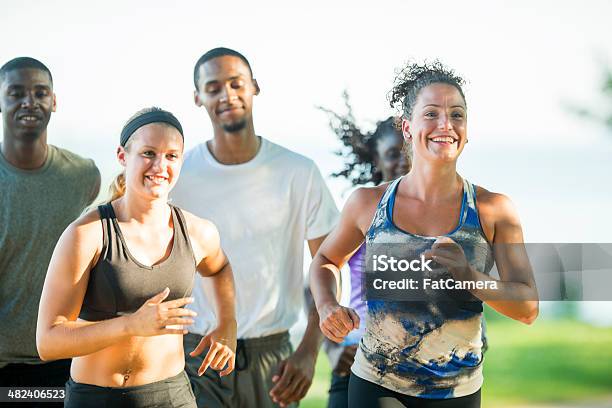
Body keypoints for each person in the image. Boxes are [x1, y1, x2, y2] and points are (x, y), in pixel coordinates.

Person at [310, 61, 539, 408]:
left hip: (457, 391)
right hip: (377, 384)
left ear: (467, 129)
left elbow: (527, 307)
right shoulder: (368, 204)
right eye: (431, 114)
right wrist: (327, 305)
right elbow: (326, 259)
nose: (445, 124)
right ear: (407, 127)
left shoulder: (493, 209)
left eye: (457, 115)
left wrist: (468, 277)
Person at [170, 47, 339, 408]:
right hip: (197, 354)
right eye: (213, 87)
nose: (226, 95)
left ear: (255, 87)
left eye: (236, 84)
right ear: (198, 97)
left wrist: (310, 350)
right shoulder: (178, 176)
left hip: (272, 357)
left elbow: (329, 264)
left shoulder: (299, 172)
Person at [36, 107, 237, 408]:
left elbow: (220, 268)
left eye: (172, 156)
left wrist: (228, 325)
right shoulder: (88, 234)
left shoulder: (198, 232)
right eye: (148, 153)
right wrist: (131, 325)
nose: (160, 165)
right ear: (122, 156)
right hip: (95, 398)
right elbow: (48, 341)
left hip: (173, 397)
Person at [0, 57, 100, 397]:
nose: (29, 101)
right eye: (15, 93)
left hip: (66, 359)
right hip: (4, 366)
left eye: (40, 92)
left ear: (53, 102)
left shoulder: (83, 175)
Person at [318, 99, 411, 408]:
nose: (404, 161)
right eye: (393, 154)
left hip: (420, 365)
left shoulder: (442, 212)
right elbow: (322, 268)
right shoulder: (361, 210)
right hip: (359, 356)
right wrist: (334, 348)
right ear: (377, 160)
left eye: (410, 152)